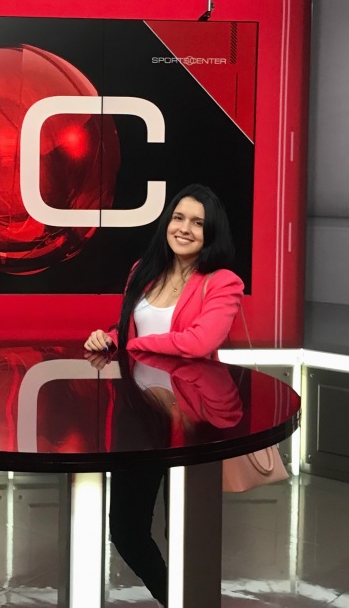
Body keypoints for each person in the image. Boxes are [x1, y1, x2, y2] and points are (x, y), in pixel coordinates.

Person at [83, 184, 244, 607]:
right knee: (127, 531)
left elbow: (199, 341)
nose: (185, 229)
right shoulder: (143, 271)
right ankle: (174, 600)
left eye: (198, 223)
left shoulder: (222, 282)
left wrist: (135, 346)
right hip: (139, 422)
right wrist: (110, 337)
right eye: (179, 218)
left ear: (212, 233)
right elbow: (130, 329)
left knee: (184, 530)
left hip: (191, 423)